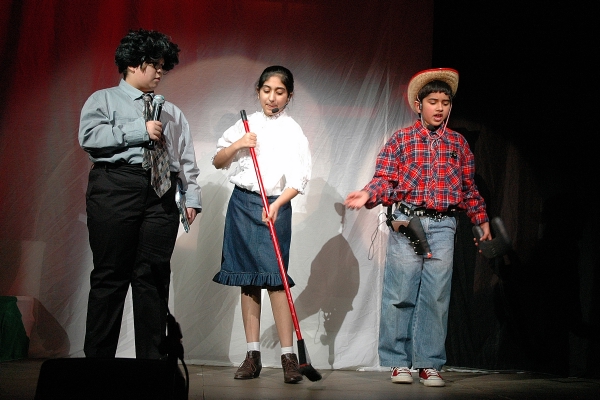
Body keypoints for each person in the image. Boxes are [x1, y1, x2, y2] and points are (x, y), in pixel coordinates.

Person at [344, 68, 491, 387]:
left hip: (444, 224)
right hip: (408, 221)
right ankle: (398, 362)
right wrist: (368, 194)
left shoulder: (458, 143)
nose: (439, 108)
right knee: (401, 291)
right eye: (433, 101)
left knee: (436, 296)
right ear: (418, 105)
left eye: (445, 103)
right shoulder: (401, 140)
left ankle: (428, 363)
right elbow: (384, 179)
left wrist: (481, 220)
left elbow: (468, 189)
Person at [79, 28, 202, 359]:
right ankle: (98, 367)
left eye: (163, 65)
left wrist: (191, 197)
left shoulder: (172, 111)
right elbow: (89, 138)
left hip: (161, 191)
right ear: (133, 63)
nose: (160, 71)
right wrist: (139, 131)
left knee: (153, 276)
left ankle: (152, 367)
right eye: (154, 64)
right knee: (111, 275)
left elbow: (185, 159)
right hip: (117, 186)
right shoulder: (103, 99)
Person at [212, 65, 311, 384]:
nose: (272, 97)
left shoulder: (293, 130)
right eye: (267, 90)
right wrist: (239, 144)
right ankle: (252, 356)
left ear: (289, 96)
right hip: (242, 204)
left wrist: (278, 204)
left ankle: (289, 357)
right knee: (248, 279)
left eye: (279, 92)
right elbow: (218, 161)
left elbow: (299, 179)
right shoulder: (247, 125)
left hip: (275, 205)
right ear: (258, 91)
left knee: (277, 280)